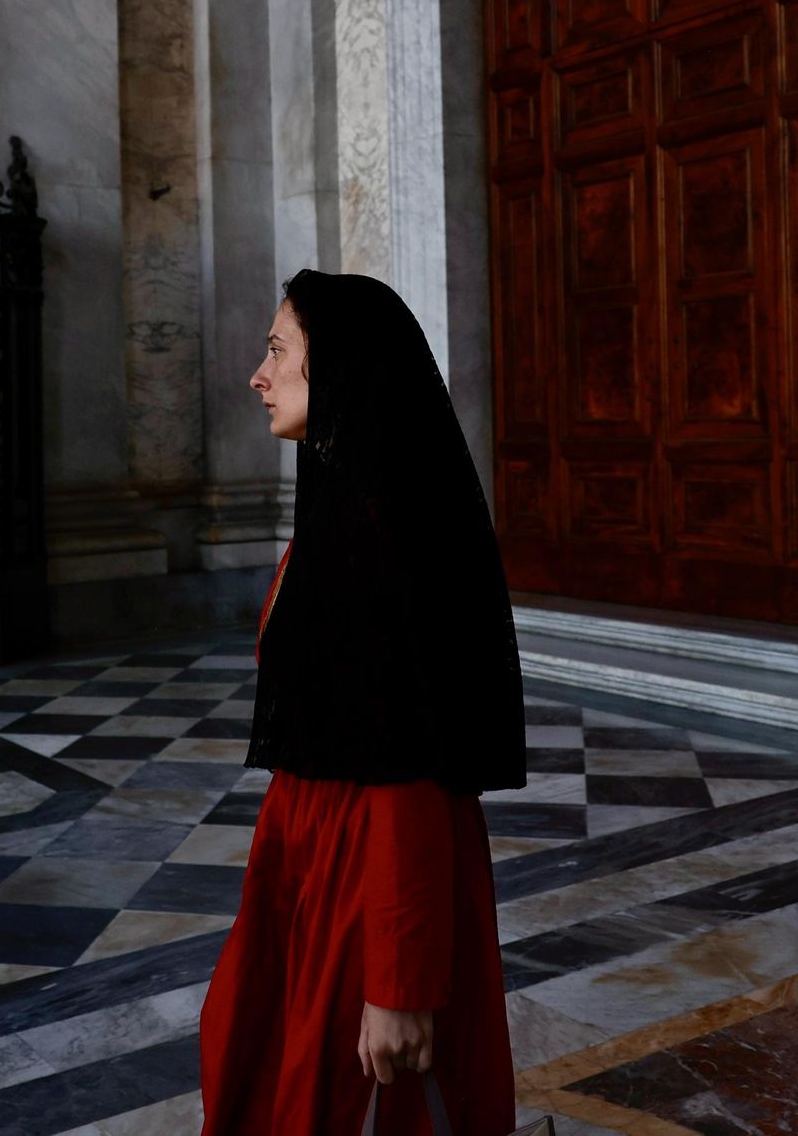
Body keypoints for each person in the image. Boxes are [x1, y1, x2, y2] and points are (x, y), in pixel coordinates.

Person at [199, 269, 526, 1134]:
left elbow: (410, 773)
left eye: (278, 351)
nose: (258, 375)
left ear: (337, 368)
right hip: (308, 857)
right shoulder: (328, 531)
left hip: (373, 873)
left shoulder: (390, 550)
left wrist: (401, 980)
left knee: (353, 1101)